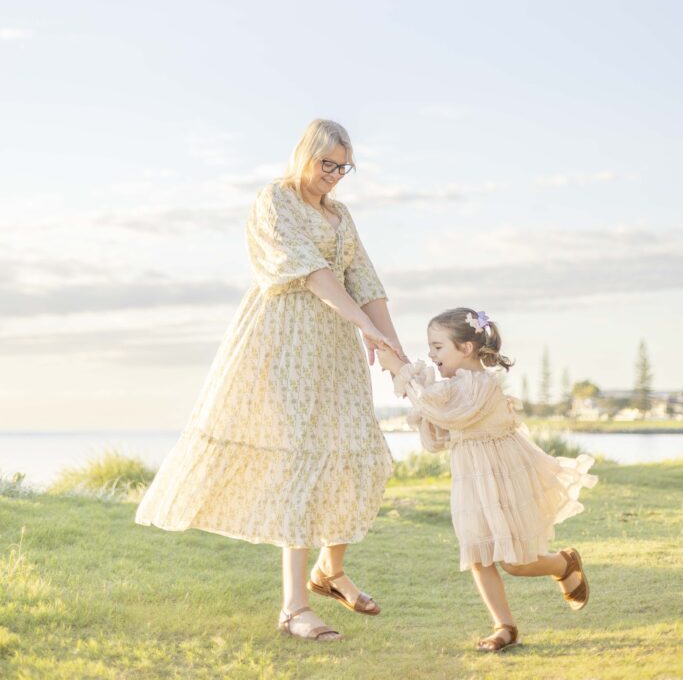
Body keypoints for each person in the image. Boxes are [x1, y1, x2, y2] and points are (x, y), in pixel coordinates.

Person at [135, 119, 406, 642]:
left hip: (335, 345)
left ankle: (330, 571)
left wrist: (394, 351)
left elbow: (365, 281)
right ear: (304, 155)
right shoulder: (275, 200)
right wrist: (366, 328)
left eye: (343, 167)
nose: (334, 176)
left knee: (362, 457)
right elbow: (312, 273)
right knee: (300, 463)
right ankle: (294, 608)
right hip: (284, 340)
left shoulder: (341, 214)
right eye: (326, 163)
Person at [377, 307, 598, 653]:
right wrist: (413, 387)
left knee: (515, 562)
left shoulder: (482, 385)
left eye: (438, 347)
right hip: (469, 481)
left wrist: (404, 375)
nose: (432, 356)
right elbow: (435, 438)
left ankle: (564, 562)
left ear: (466, 348)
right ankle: (504, 627)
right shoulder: (450, 388)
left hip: (500, 479)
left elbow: (448, 413)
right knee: (478, 554)